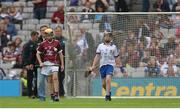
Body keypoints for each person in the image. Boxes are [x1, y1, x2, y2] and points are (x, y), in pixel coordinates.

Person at [90, 32, 125, 101]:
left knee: (108, 79)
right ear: (104, 38)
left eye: (108, 36)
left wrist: (121, 68)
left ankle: (107, 96)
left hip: (110, 65)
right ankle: (108, 92)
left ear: (111, 38)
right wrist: (93, 66)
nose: (107, 37)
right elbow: (97, 56)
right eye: (105, 36)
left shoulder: (114, 47)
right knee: (103, 84)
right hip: (102, 66)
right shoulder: (100, 46)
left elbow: (117, 58)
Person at [36, 28, 64, 102]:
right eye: (47, 35)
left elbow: (60, 54)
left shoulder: (57, 43)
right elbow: (37, 54)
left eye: (50, 35)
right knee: (49, 80)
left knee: (55, 78)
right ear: (45, 36)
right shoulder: (42, 44)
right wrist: (40, 62)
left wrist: (62, 64)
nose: (49, 37)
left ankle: (56, 94)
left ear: (52, 35)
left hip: (55, 62)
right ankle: (52, 95)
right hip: (46, 63)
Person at [22, 31, 39, 98]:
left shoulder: (38, 44)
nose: (37, 38)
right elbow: (24, 55)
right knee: (30, 79)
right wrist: (26, 64)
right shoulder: (27, 45)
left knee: (37, 79)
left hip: (37, 64)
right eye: (36, 36)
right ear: (32, 36)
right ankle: (30, 94)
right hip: (29, 65)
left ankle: (36, 93)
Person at [54, 26, 66, 97]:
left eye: (59, 31)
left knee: (62, 77)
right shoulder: (52, 40)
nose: (58, 32)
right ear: (55, 32)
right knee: (56, 77)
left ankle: (61, 92)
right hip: (55, 61)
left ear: (61, 31)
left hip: (64, 61)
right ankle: (57, 92)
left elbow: (70, 50)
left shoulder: (65, 40)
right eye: (56, 31)